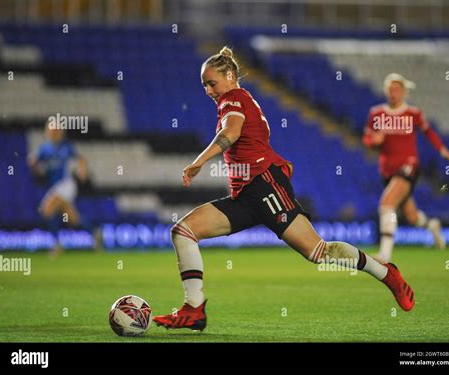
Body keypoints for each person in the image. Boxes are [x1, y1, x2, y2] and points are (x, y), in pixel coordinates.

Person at [153, 48, 416, 332]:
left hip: (266, 187)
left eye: (211, 82)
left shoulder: (234, 98)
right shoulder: (235, 99)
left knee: (319, 252)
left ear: (230, 76)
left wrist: (198, 162)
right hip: (246, 196)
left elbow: (230, 133)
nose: (207, 89)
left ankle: (386, 273)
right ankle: (194, 309)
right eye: (203, 84)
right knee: (183, 231)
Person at [363, 73, 449, 263]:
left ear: (404, 92)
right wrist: (373, 141)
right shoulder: (376, 113)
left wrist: (443, 151)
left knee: (386, 204)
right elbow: (366, 138)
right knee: (411, 216)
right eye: (390, 89)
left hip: (409, 166)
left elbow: (429, 132)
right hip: (387, 171)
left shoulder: (413, 113)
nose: (393, 93)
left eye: (397, 89)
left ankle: (384, 254)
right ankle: (432, 225)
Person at [28, 123, 94, 255]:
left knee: (47, 210)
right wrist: (34, 165)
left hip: (66, 184)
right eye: (52, 131)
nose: (54, 133)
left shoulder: (66, 146)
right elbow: (34, 163)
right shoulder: (44, 149)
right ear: (47, 132)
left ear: (61, 132)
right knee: (73, 219)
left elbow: (81, 158)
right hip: (55, 187)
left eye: (57, 131)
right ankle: (95, 233)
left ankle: (56, 245)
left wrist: (82, 171)